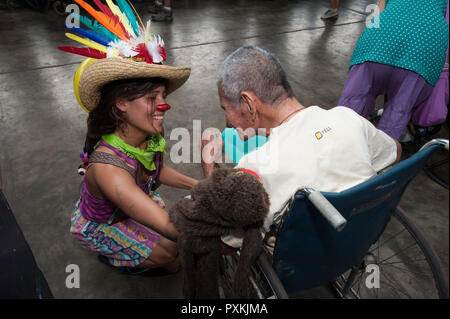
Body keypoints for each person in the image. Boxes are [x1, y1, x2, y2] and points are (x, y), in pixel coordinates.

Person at [201, 46, 401, 248]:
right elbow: (395, 150)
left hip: (301, 262)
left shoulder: (256, 166)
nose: (227, 122)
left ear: (248, 103)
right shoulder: (348, 118)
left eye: (225, 108)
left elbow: (226, 243)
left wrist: (209, 171)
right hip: (359, 238)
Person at [61, 10, 197, 273]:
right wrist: (221, 236)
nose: (163, 106)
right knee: (173, 258)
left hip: (131, 201)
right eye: (151, 98)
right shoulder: (108, 169)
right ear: (121, 103)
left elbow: (155, 169)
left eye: (162, 95)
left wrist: (199, 184)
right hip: (104, 223)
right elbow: (172, 229)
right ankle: (113, 258)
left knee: (177, 252)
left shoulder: (148, 132)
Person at [338, 0, 449, 141]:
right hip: (425, 45)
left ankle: (338, 143)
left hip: (381, 37)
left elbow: (378, 11)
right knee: (399, 110)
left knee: (352, 104)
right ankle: (382, 155)